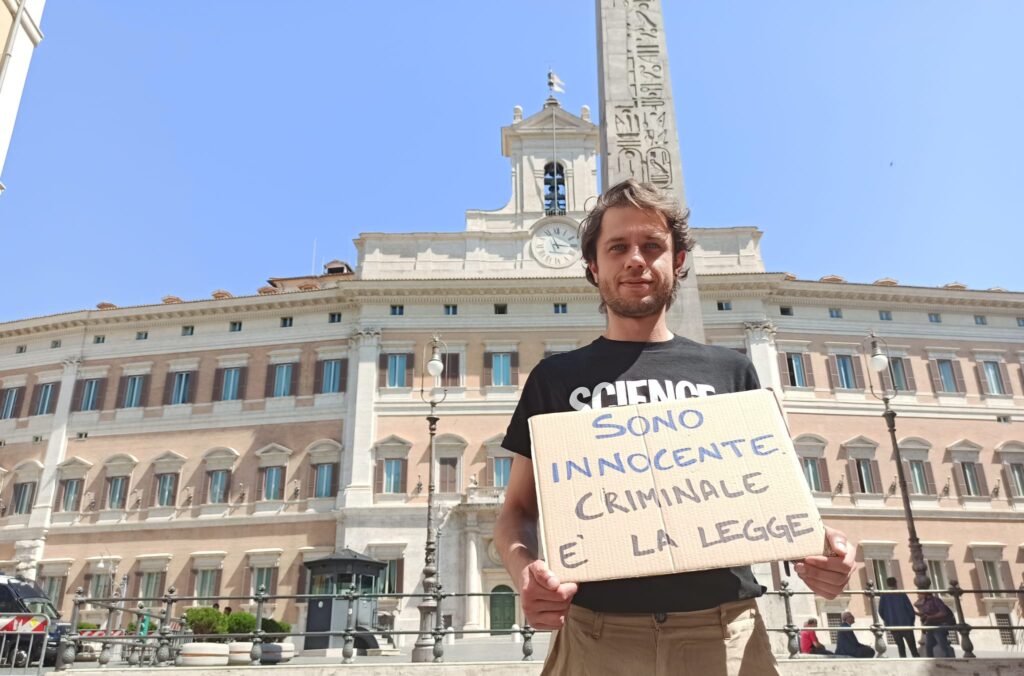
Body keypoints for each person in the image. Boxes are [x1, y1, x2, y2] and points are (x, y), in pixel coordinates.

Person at [494, 179, 857, 676]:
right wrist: (524, 572)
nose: (636, 259)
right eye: (618, 247)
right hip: (597, 634)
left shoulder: (733, 371)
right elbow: (515, 511)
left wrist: (823, 549)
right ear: (594, 267)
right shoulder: (554, 379)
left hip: (726, 632)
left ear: (678, 261)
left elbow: (774, 503)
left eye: (652, 246)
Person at [878, 576, 918, 657]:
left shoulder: (884, 596)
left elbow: (880, 611)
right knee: (913, 648)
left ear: (887, 584)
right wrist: (912, 622)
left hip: (893, 625)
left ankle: (904, 663)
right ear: (896, 583)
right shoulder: (901, 594)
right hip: (906, 624)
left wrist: (887, 621)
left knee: (900, 647)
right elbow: (910, 609)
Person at [915, 589, 955, 657]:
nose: (918, 595)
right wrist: (915, 613)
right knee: (928, 646)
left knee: (942, 644)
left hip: (939, 625)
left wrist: (931, 617)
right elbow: (925, 614)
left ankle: (948, 658)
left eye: (919, 593)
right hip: (931, 626)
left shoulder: (936, 600)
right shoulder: (925, 602)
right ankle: (931, 661)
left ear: (924, 593)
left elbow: (943, 613)